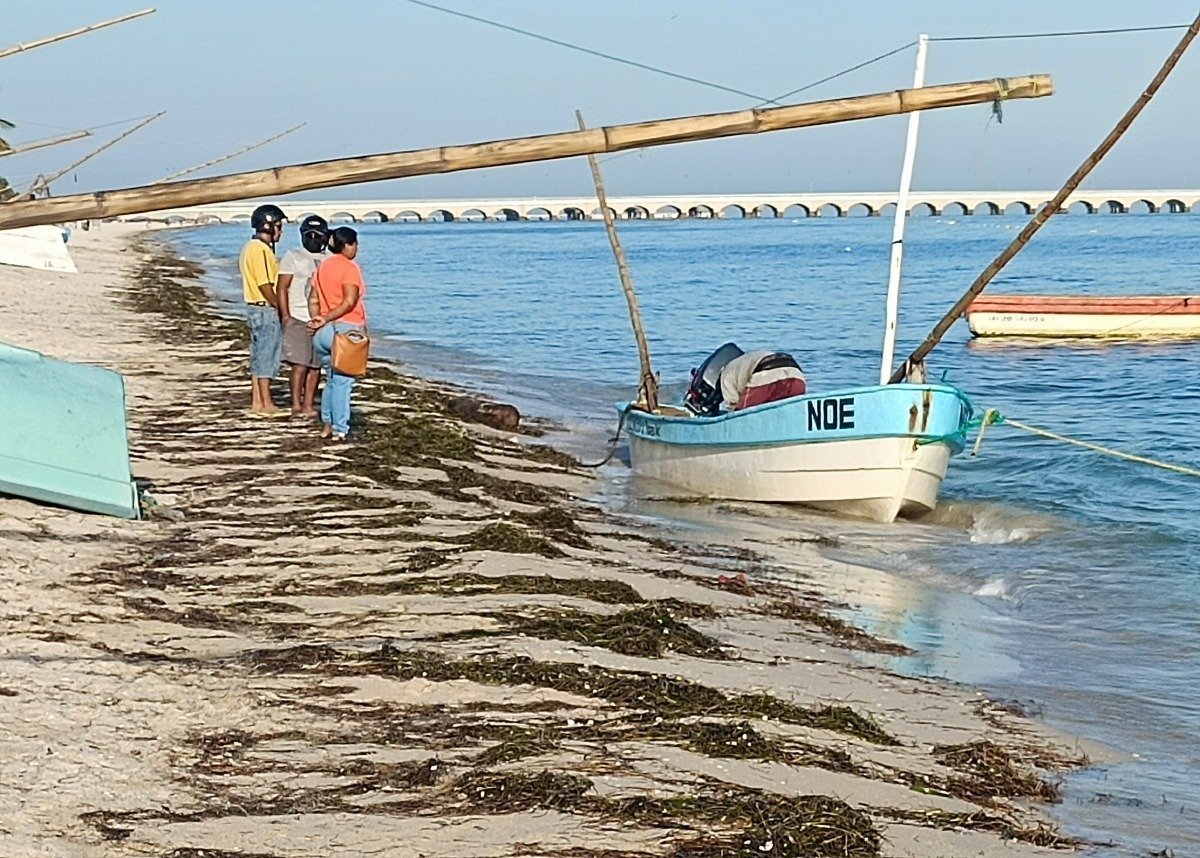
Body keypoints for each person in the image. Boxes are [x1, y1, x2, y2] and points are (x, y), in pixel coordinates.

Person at [309, 226, 368, 441]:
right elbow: (349, 301)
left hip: (323, 333)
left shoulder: (322, 267)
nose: (357, 249)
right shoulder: (349, 268)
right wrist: (327, 318)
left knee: (332, 380)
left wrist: (318, 318)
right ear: (348, 246)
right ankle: (340, 428)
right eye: (355, 244)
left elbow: (313, 299)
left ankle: (327, 423)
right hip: (345, 330)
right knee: (343, 382)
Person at [276, 215, 329, 417]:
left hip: (320, 319)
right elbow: (282, 287)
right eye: (309, 235)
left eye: (317, 235)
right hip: (297, 316)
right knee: (299, 364)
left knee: (315, 366)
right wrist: (285, 315)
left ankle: (308, 404)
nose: (313, 239)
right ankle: (296, 404)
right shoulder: (293, 256)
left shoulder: (327, 260)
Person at [239, 203, 288, 418]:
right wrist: (279, 306)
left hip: (253, 307)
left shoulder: (250, 247)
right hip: (264, 308)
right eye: (279, 226)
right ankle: (266, 402)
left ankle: (257, 401)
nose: (281, 231)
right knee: (267, 355)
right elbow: (265, 284)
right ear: (268, 226)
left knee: (258, 356)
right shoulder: (260, 250)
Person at [719, 349, 806, 411]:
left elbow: (732, 403)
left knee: (743, 411)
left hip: (766, 373)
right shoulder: (744, 360)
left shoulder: (725, 373)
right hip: (796, 373)